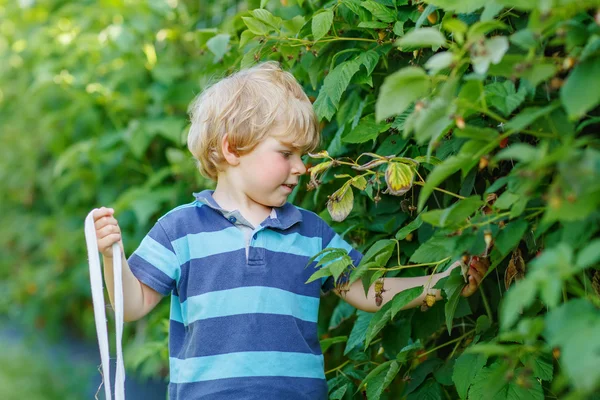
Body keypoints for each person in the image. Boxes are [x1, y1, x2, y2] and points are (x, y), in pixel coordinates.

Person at [92, 61, 487, 399]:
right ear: (232, 150)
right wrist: (112, 256)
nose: (301, 168)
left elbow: (370, 289)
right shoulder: (180, 229)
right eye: (286, 153)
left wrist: (441, 281)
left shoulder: (311, 233)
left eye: (302, 156)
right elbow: (133, 304)